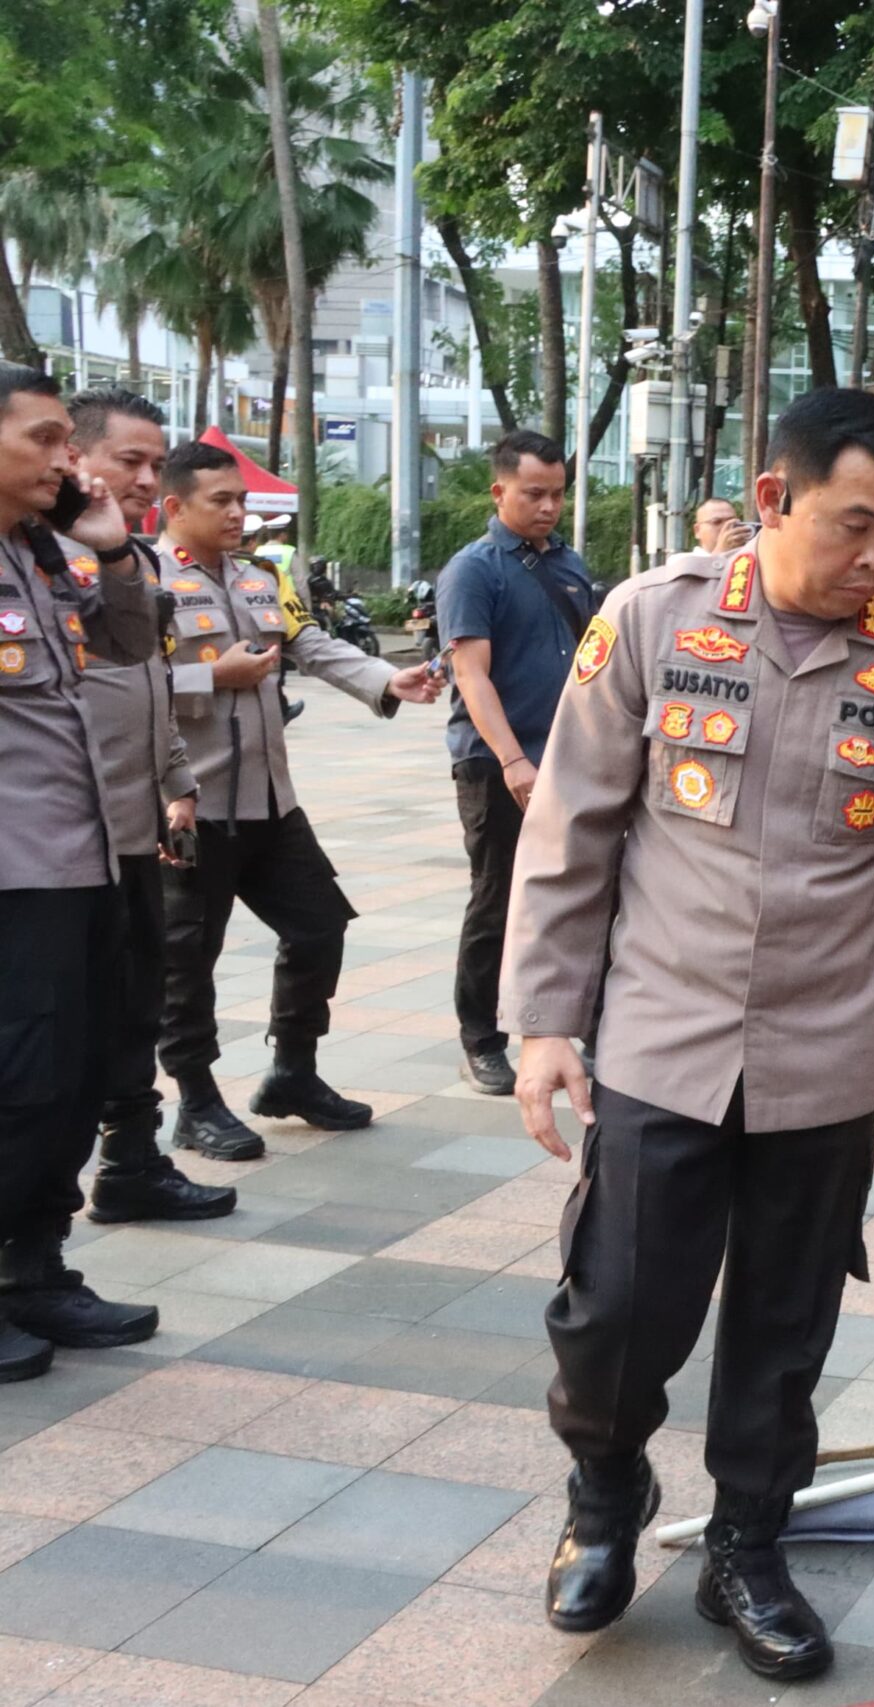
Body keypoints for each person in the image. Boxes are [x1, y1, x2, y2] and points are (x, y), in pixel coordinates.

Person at [500, 387, 874, 1680]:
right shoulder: (654, 617)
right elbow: (572, 833)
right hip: (663, 1038)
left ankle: (748, 1548)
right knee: (614, 1316)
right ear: (773, 499)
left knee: (782, 1333)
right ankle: (604, 1500)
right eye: (853, 526)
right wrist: (547, 1019)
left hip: (829, 1059)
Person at [156, 440, 440, 1159]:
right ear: (173, 508)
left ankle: (292, 1071)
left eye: (241, 500)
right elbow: (123, 689)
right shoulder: (147, 582)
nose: (237, 512)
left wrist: (384, 678)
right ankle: (194, 1099)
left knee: (318, 927)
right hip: (192, 805)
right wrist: (206, 680)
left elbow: (308, 642)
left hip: (271, 804)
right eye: (220, 501)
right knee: (188, 959)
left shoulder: (258, 576)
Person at [0, 363, 176, 1382]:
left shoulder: (43, 551)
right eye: (46, 439)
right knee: (18, 1079)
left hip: (81, 855)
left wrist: (111, 552)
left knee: (76, 1073)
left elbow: (129, 642)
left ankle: (37, 1267)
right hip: (14, 873)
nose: (66, 461)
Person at [66, 388, 233, 1222]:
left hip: (134, 831)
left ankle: (132, 1165)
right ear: (73, 457)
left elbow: (150, 687)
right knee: (62, 1033)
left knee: (138, 1002)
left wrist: (176, 784)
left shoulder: (131, 564)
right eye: (127, 460)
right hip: (62, 847)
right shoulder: (39, 562)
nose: (143, 478)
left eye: (151, 462)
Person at [436, 431, 598, 1095]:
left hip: (567, 757)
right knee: (498, 898)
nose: (549, 506)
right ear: (499, 490)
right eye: (534, 493)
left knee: (575, 892)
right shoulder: (474, 570)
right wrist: (511, 759)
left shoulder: (569, 564)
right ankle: (481, 1037)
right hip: (497, 763)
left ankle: (566, 1021)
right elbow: (472, 676)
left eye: (558, 493)